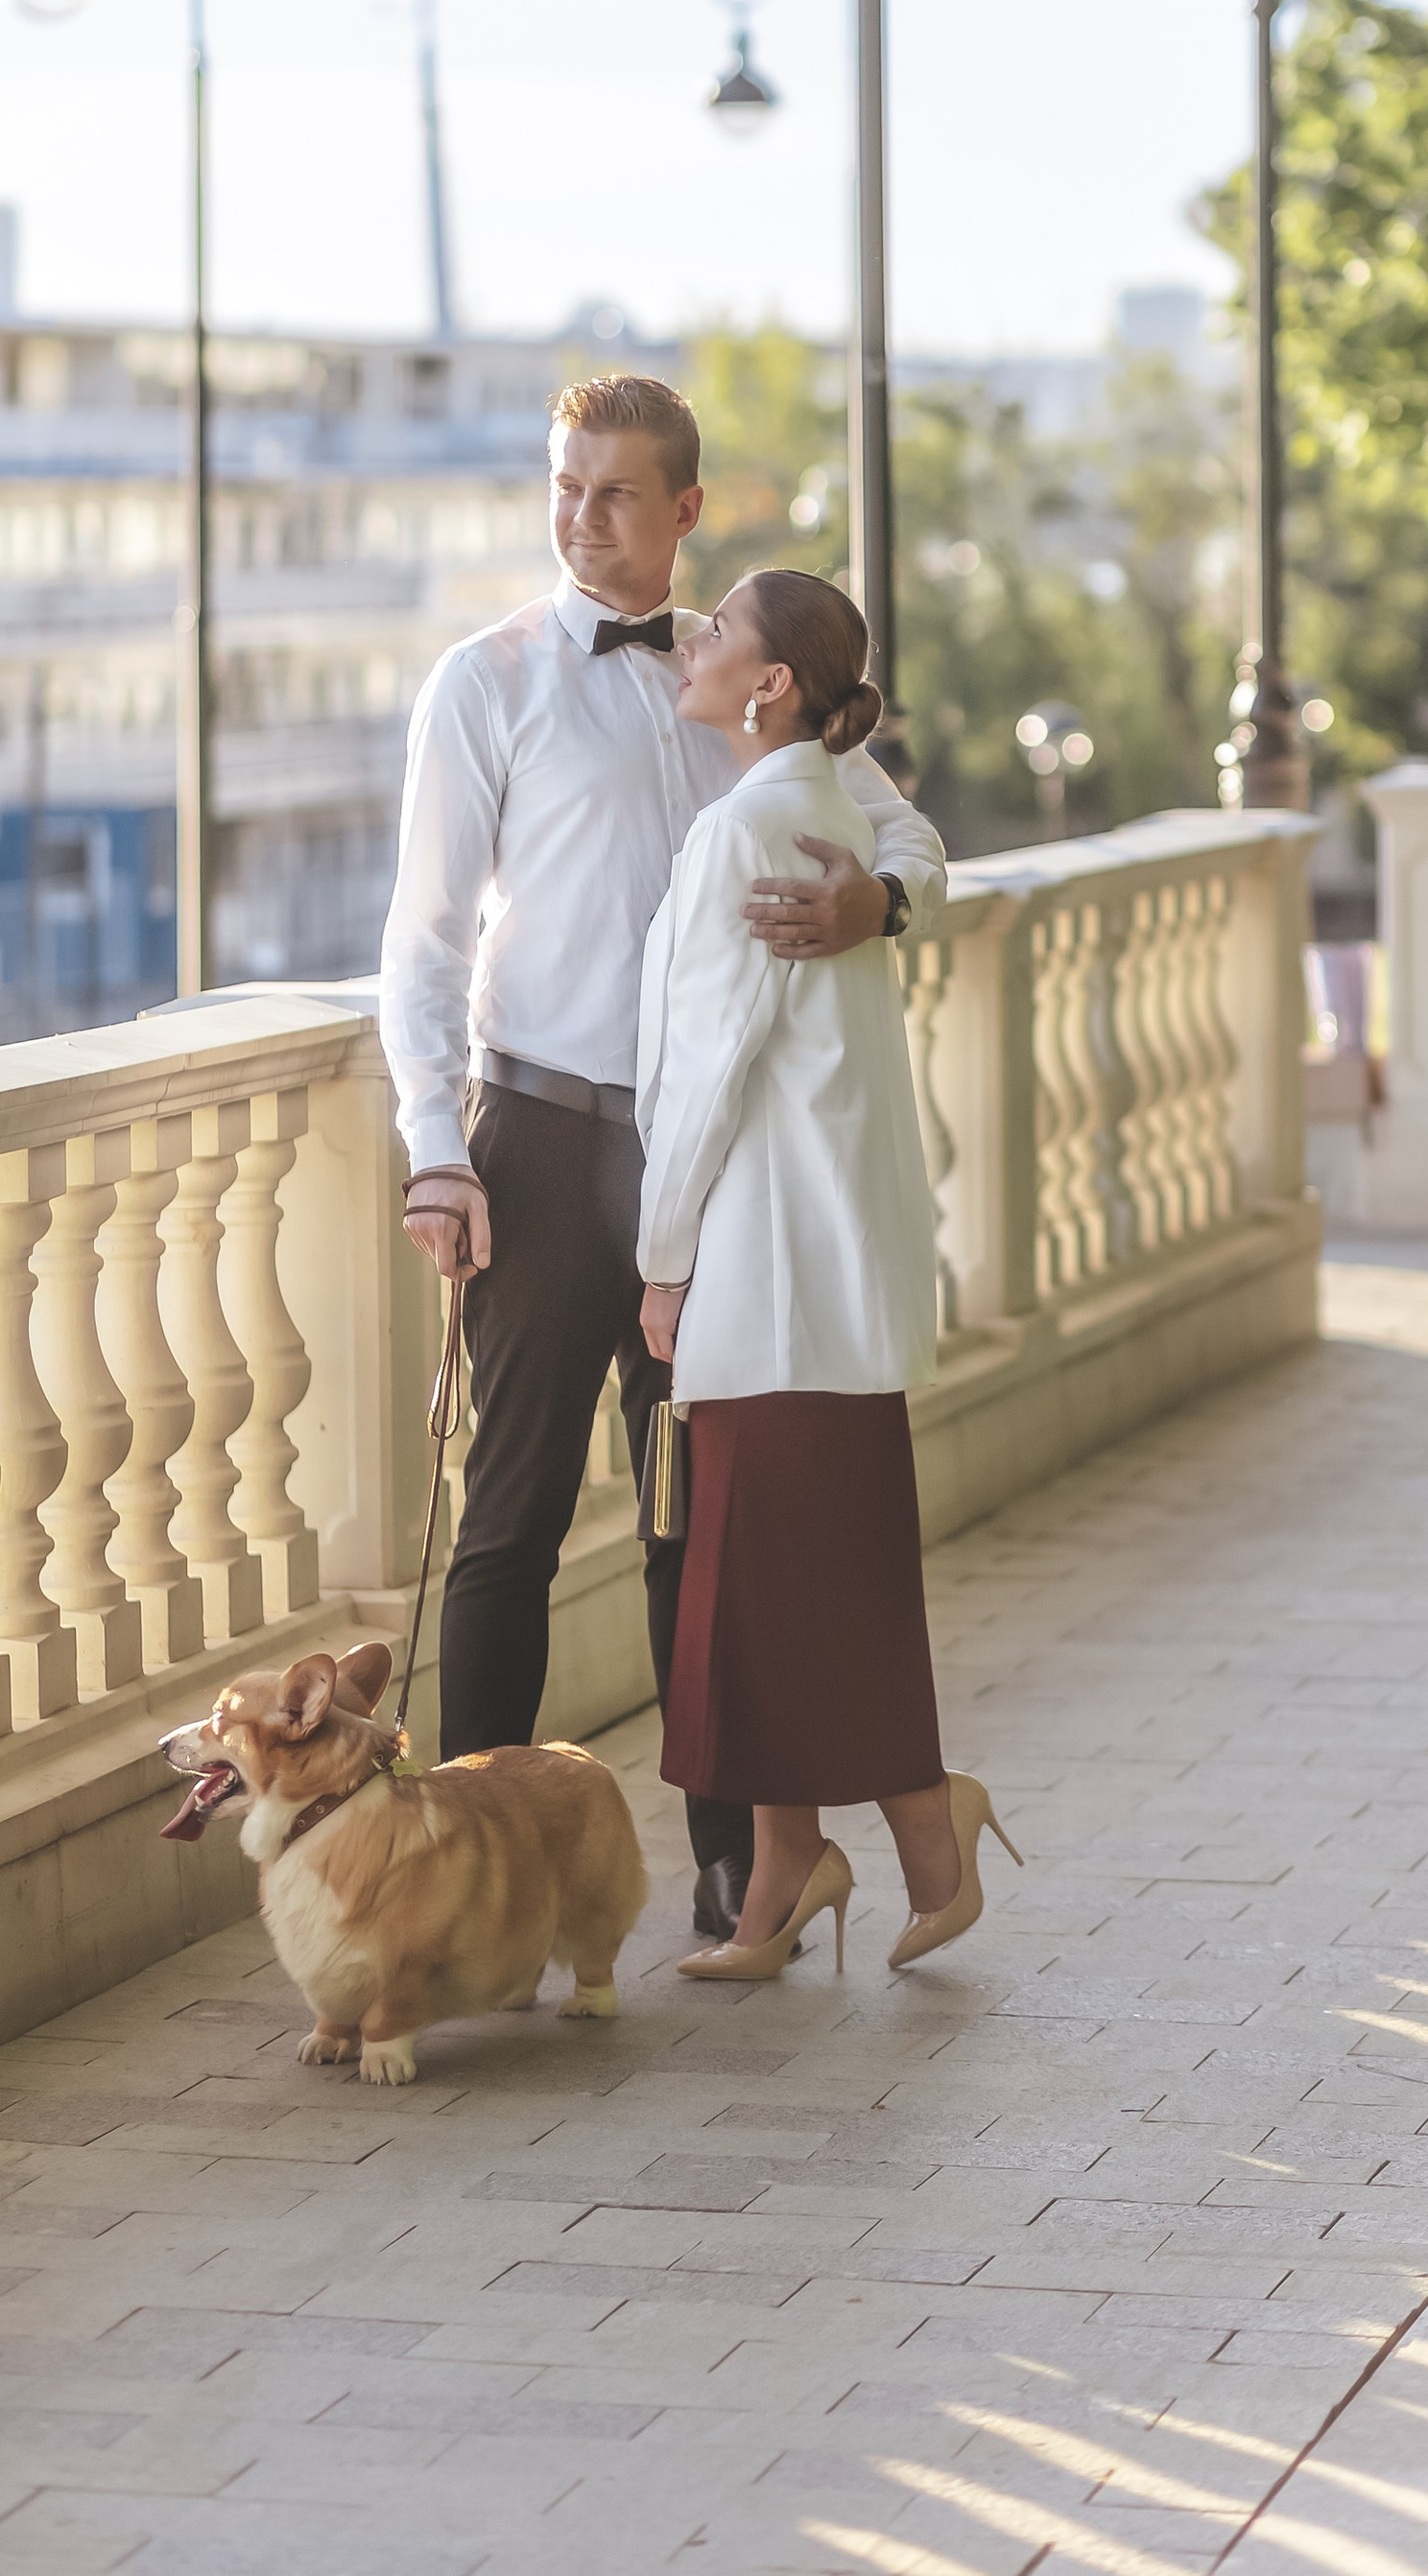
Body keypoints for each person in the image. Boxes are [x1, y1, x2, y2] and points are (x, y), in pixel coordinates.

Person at [378, 373, 947, 1941]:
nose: (581, 517)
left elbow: (907, 838)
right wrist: (439, 1148)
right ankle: (476, 1882)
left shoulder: (742, 679)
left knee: (694, 1526)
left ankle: (726, 1868)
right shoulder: (482, 681)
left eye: (617, 493)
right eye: (565, 486)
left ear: (686, 508)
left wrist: (871, 909)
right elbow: (423, 943)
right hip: (542, 1141)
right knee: (506, 1525)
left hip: (720, 1174)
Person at [636, 567, 1018, 1982]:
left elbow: (704, 1077)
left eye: (720, 631)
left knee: (800, 1575)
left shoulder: (764, 819)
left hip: (773, 1258)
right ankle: (791, 1861)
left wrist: (659, 1260)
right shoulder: (819, 796)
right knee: (766, 1573)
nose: (694, 640)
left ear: (771, 684)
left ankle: (928, 1825)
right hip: (811, 1258)